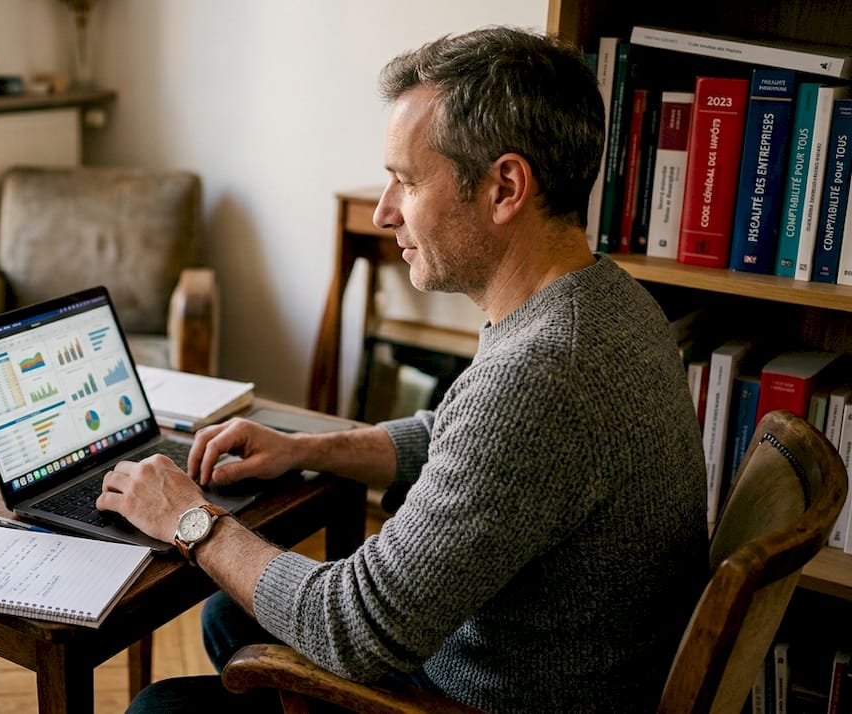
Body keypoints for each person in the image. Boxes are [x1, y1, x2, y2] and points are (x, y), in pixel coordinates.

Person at [98, 26, 708, 713]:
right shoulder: (603, 300)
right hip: (553, 665)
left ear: (504, 187)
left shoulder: (543, 374)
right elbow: (460, 437)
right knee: (227, 616)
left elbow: (356, 630)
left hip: (483, 699)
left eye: (407, 181)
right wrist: (307, 448)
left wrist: (190, 519)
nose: (386, 211)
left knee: (157, 708)